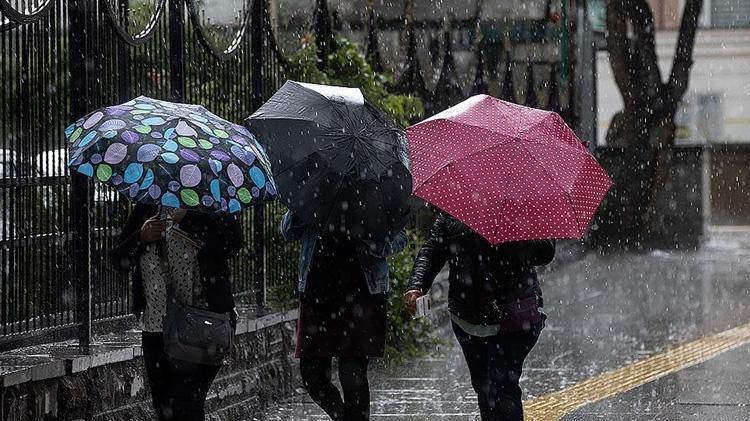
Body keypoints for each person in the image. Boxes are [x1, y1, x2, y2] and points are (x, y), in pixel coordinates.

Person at [405, 212, 554, 421]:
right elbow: (432, 251)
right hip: (468, 316)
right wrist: (416, 285)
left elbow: (546, 251)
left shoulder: (524, 205)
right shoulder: (455, 210)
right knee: (483, 387)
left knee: (502, 386)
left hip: (515, 313)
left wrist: (508, 238)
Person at [110, 204, 242, 421]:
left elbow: (232, 245)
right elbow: (119, 260)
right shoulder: (149, 205)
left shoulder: (211, 203)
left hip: (202, 326)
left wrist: (189, 219)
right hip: (156, 327)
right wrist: (141, 236)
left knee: (188, 403)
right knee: (164, 407)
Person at [281, 211, 408, 421]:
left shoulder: (373, 195)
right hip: (317, 295)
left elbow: (400, 238)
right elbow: (288, 231)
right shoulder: (314, 194)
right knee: (312, 376)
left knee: (352, 377)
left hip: (362, 296)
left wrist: (374, 243)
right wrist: (301, 209)